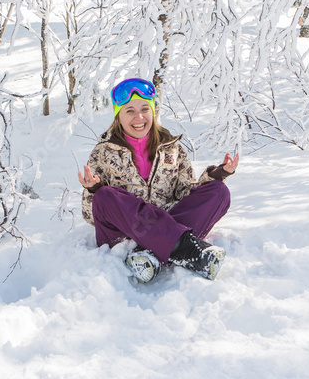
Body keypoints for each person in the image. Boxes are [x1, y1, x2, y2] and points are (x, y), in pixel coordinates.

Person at [78, 77, 239, 283]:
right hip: (124, 235)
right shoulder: (103, 152)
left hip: (169, 220)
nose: (139, 117)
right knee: (105, 195)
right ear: (118, 117)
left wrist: (218, 175)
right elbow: (90, 215)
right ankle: (187, 249)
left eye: (145, 109)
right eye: (129, 111)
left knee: (219, 192)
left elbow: (186, 193)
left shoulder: (172, 148)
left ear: (153, 112)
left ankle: (151, 253)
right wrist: (93, 190)